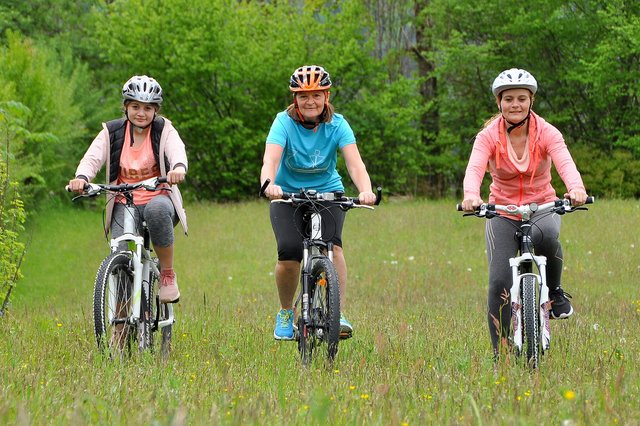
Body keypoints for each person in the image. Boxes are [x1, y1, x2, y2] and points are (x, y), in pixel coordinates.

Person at [461, 68, 588, 354]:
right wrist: (471, 195)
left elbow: (565, 163)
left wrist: (576, 189)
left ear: (531, 101)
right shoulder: (487, 137)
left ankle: (553, 292)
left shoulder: (547, 132)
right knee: (498, 281)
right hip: (502, 210)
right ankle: (501, 351)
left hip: (541, 204)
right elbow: (474, 169)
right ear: (499, 103)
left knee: (549, 235)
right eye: (508, 99)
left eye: (521, 98)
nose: (515, 104)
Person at [260, 65, 376, 340]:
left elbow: (355, 163)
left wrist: (366, 190)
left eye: (316, 95)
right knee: (289, 254)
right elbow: (271, 160)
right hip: (287, 194)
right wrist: (269, 185)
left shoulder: (338, 124)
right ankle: (286, 312)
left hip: (328, 192)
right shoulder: (283, 122)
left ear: (326, 96)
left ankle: (338, 311)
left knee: (333, 249)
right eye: (303, 96)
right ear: (294, 99)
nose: (310, 101)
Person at [68, 75, 188, 303]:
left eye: (147, 108)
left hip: (158, 197)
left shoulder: (164, 130)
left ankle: (167, 274)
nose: (141, 113)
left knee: (156, 210)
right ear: (125, 107)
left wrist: (178, 168)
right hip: (124, 202)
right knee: (121, 253)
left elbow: (177, 151)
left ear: (156, 110)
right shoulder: (111, 132)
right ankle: (120, 324)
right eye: (135, 106)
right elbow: (92, 157)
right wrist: (81, 177)